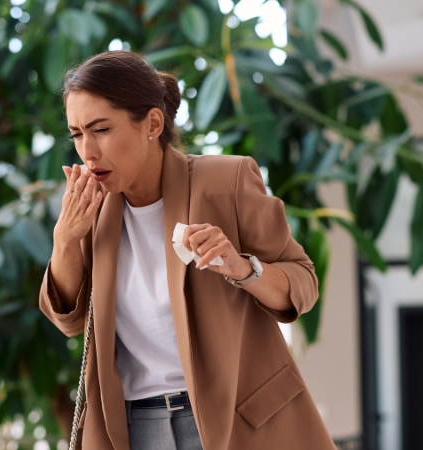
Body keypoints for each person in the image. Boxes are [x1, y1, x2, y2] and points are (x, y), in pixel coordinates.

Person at [39, 50, 336, 450]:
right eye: (77, 134)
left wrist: (242, 267)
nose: (87, 152)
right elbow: (69, 320)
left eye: (101, 129)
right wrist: (65, 240)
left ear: (152, 124)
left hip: (232, 421)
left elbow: (303, 283)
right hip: (133, 427)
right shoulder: (90, 208)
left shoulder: (225, 182)